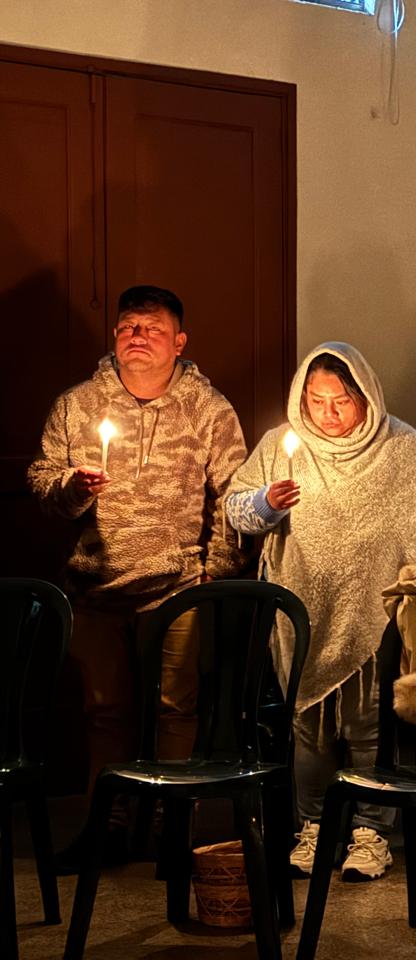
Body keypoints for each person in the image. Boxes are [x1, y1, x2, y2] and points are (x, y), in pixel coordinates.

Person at [224, 342, 416, 882]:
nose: (327, 414)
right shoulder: (283, 445)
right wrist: (266, 503)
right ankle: (315, 827)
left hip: (375, 616)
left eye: (341, 402)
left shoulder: (404, 448)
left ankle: (370, 832)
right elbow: (236, 509)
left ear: (366, 398)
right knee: (308, 726)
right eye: (316, 401)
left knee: (367, 725)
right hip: (302, 612)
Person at [28, 284, 248, 868]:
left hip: (177, 589)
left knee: (175, 709)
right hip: (95, 587)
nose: (138, 337)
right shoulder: (77, 406)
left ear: (179, 342)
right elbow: (43, 483)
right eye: (128, 326)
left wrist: (216, 577)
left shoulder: (209, 410)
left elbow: (234, 497)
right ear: (115, 336)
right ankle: (108, 825)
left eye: (153, 329)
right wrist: (72, 488)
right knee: (105, 713)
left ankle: (171, 828)